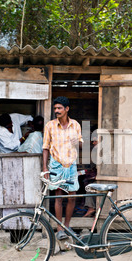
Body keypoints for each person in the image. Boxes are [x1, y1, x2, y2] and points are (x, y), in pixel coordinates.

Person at [42, 96, 83, 240]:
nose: (56, 111)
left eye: (59, 108)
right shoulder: (50, 126)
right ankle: (59, 228)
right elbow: (45, 148)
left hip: (71, 165)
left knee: (72, 197)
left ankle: (67, 225)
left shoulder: (75, 125)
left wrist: (77, 143)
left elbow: (81, 145)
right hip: (56, 164)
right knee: (58, 197)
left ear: (67, 109)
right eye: (55, 108)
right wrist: (45, 168)